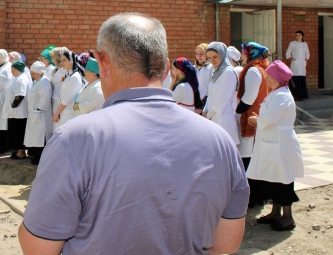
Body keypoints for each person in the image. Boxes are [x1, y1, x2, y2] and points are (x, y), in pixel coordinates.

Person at [19, 13, 249, 254]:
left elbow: (38, 248)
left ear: (102, 62)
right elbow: (226, 243)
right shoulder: (220, 141)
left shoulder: (75, 140)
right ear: (165, 67)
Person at [247, 60, 304, 231]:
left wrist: (257, 120)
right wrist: (260, 119)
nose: (266, 78)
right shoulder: (276, 94)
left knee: (283, 179)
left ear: (277, 78)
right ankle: (276, 212)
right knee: (274, 178)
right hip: (273, 143)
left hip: (281, 144)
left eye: (269, 76)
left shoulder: (281, 96)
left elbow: (270, 118)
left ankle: (288, 217)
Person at [236, 42, 270, 208]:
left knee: (248, 157)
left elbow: (249, 98)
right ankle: (259, 196)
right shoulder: (262, 69)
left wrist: (236, 110)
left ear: (250, 54)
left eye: (243, 52)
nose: (242, 55)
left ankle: (252, 197)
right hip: (258, 115)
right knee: (256, 157)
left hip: (251, 117)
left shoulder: (253, 71)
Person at [203, 42, 240, 145]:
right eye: (209, 58)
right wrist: (205, 110)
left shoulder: (228, 72)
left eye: (215, 57)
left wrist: (207, 116)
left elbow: (221, 101)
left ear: (222, 54)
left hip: (223, 119)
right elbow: (210, 95)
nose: (212, 60)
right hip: (213, 118)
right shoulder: (216, 72)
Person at [23, 61, 52, 165]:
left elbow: (45, 97)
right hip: (35, 113)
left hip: (40, 114)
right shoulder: (37, 81)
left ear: (40, 72)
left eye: (34, 73)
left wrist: (39, 109)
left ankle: (40, 158)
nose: (32, 75)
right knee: (35, 136)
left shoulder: (44, 82)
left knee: (40, 137)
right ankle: (35, 155)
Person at [4, 61, 31, 160]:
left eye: (13, 69)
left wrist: (14, 105)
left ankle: (21, 152)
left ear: (18, 69)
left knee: (19, 132)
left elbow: (20, 95)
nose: (11, 71)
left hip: (19, 112)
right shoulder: (15, 78)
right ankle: (16, 151)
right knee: (14, 132)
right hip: (13, 112)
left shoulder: (22, 79)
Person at [52, 50, 84, 130]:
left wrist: (56, 114)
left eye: (64, 60)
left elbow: (66, 99)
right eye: (61, 60)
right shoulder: (69, 75)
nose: (62, 62)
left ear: (71, 61)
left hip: (68, 113)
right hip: (64, 112)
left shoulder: (74, 77)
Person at [285, 30, 310, 101]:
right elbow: (288, 52)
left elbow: (307, 53)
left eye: (299, 35)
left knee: (302, 79)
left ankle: (302, 96)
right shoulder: (292, 43)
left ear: (302, 36)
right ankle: (295, 95)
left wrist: (306, 58)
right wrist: (291, 58)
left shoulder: (305, 44)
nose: (297, 37)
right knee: (295, 79)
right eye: (296, 35)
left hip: (302, 65)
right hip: (295, 64)